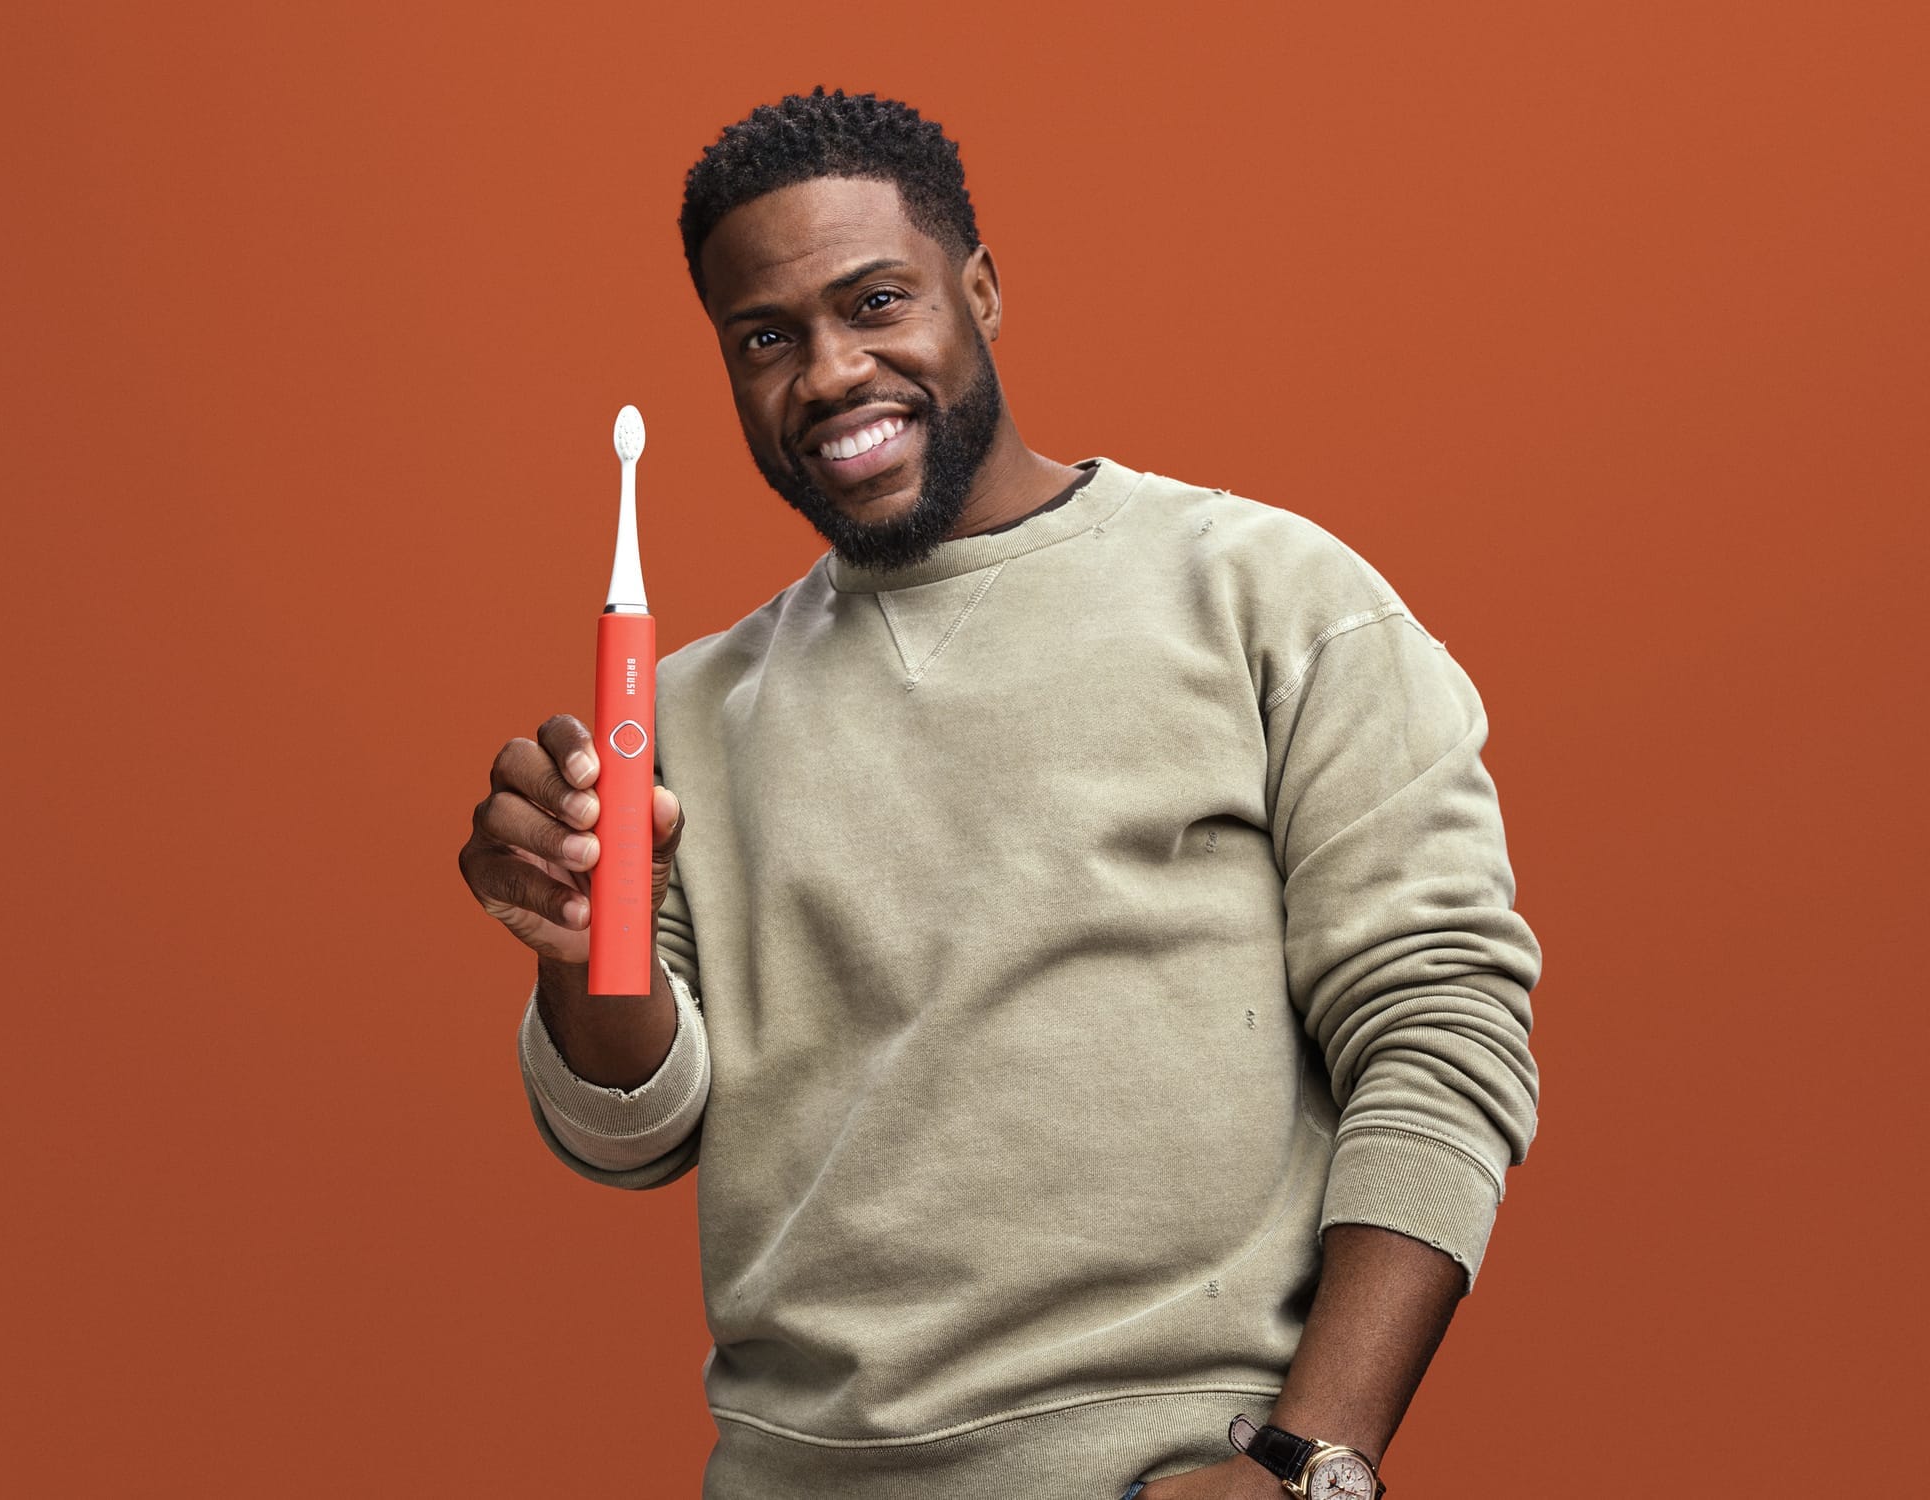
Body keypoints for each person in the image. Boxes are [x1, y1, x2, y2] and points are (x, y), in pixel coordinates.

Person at [458, 88, 1543, 1500]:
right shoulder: (677, 716)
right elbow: (631, 1129)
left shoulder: (1268, 597)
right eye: (767, 340)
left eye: (877, 302)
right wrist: (571, 934)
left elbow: (1443, 1023)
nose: (833, 373)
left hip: (1177, 1464)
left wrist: (1311, 1459)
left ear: (980, 288)